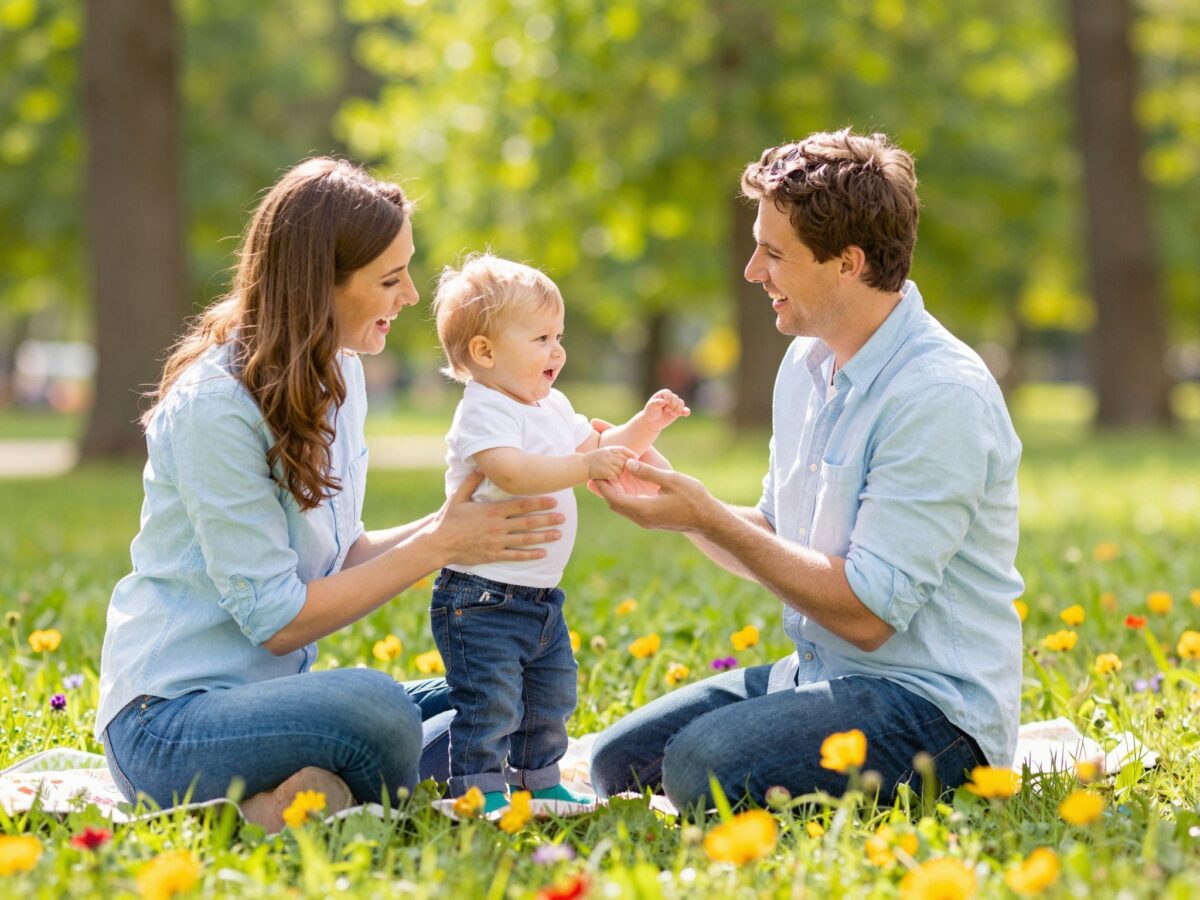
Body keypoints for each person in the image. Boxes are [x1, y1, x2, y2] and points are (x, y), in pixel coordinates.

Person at [95, 159, 566, 832]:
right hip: (169, 724)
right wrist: (440, 545)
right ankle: (300, 788)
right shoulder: (214, 407)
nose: (410, 297)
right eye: (389, 279)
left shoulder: (339, 372)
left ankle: (295, 797)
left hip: (275, 705)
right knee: (377, 710)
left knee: (505, 695)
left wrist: (458, 524)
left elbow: (341, 555)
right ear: (321, 282)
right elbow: (278, 621)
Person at [588, 129, 1024, 810]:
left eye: (774, 254)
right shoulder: (807, 362)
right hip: (820, 677)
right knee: (617, 762)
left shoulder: (939, 396)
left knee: (701, 765)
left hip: (933, 713)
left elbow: (868, 615)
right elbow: (774, 535)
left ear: (847, 262)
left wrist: (704, 514)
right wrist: (675, 503)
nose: (752, 272)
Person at [429, 254, 689, 814]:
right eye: (542, 338)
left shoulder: (551, 405)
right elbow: (513, 472)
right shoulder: (485, 410)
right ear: (485, 352)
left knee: (550, 693)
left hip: (540, 597)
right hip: (480, 596)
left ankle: (539, 778)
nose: (558, 351)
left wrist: (646, 425)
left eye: (560, 337)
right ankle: (479, 789)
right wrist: (584, 467)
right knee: (490, 701)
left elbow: (596, 447)